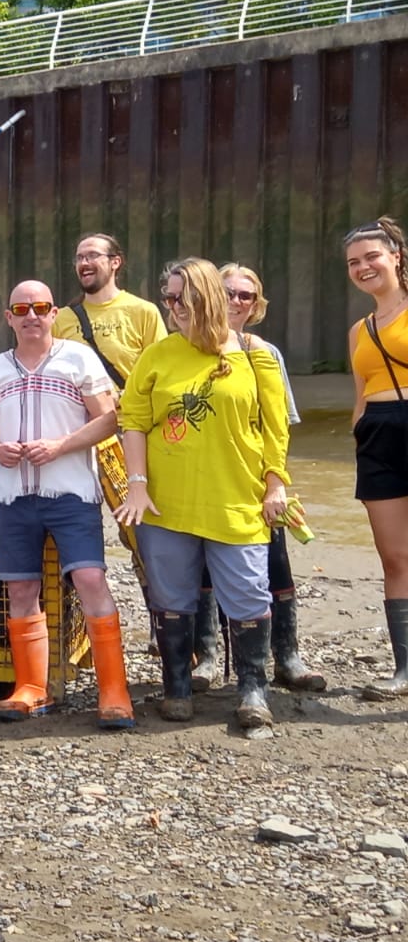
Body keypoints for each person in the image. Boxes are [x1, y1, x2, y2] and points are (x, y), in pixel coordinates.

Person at [116, 258, 291, 731]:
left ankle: (253, 688)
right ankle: (176, 685)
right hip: (166, 502)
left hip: (237, 499)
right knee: (172, 595)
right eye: (168, 298)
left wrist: (276, 484)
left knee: (250, 593)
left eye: (182, 298)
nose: (172, 307)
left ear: (209, 298)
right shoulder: (157, 356)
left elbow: (274, 431)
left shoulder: (255, 358)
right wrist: (137, 484)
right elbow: (131, 419)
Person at [0, 281, 133, 729]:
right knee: (20, 589)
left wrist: (61, 445)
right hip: (12, 496)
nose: (31, 316)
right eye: (21, 308)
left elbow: (109, 420)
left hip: (71, 493)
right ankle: (31, 688)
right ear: (9, 317)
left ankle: (114, 693)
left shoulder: (78, 358)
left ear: (54, 312)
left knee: (89, 578)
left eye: (40, 307)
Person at [208, 264, 324, 692]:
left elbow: (281, 425)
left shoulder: (265, 353)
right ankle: (209, 658)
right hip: (203, 478)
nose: (236, 302)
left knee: (274, 566)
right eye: (228, 293)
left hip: (254, 481)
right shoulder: (184, 347)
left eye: (246, 296)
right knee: (203, 570)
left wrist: (276, 482)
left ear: (256, 306)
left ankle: (287, 657)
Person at [345, 217, 408, 700]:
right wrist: (360, 436)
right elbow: (362, 393)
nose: (363, 267)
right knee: (395, 558)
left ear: (396, 256)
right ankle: (404, 669)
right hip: (378, 437)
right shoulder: (359, 329)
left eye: (372, 257)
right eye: (354, 262)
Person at [52, 233, 168, 388]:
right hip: (78, 412)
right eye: (79, 258)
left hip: (129, 412)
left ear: (115, 262)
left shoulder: (144, 311)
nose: (84, 263)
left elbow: (161, 370)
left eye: (92, 255)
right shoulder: (59, 318)